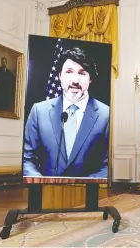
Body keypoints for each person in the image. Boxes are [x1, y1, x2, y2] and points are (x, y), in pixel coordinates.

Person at [23, 47, 109, 178]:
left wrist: (83, 186)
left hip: (88, 194)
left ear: (90, 78)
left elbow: (108, 166)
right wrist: (42, 183)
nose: (75, 80)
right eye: (69, 72)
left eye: (82, 73)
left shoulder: (106, 114)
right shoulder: (39, 111)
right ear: (60, 76)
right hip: (46, 194)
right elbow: (27, 160)